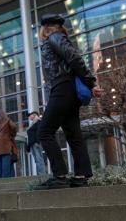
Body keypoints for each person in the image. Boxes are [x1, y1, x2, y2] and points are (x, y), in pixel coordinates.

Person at [35, 14, 103, 190]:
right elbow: (72, 60)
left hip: (63, 88)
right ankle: (81, 176)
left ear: (45, 28)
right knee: (73, 134)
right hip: (67, 89)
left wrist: (90, 82)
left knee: (44, 131)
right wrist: (90, 83)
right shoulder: (58, 38)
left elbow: (74, 58)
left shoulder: (55, 38)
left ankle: (59, 176)